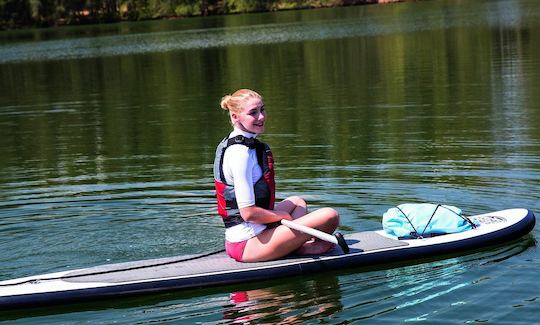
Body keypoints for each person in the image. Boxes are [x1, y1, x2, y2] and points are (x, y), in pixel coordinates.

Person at [213, 89, 340, 262]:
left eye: (262, 110)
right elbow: (248, 213)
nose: (261, 117)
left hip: (259, 231)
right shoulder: (239, 154)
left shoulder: (244, 144)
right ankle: (299, 248)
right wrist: (283, 217)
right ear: (235, 117)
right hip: (247, 244)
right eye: (253, 113)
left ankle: (296, 245)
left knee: (297, 202)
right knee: (330, 216)